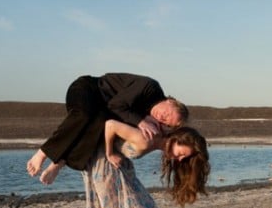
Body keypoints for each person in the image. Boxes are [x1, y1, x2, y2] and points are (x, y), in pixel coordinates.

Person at [82, 119, 210, 208]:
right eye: (181, 153)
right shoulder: (146, 140)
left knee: (139, 207)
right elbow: (110, 125)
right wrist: (109, 153)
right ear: (175, 140)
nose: (180, 159)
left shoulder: (157, 138)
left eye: (183, 157)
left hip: (118, 167)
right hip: (104, 164)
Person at [26, 73, 188, 185]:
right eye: (166, 113)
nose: (161, 117)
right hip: (87, 89)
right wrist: (140, 121)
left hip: (100, 111)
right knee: (85, 115)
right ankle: (43, 153)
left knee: (101, 125)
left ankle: (59, 163)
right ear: (169, 100)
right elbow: (115, 104)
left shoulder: (151, 119)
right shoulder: (150, 87)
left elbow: (115, 123)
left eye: (166, 121)